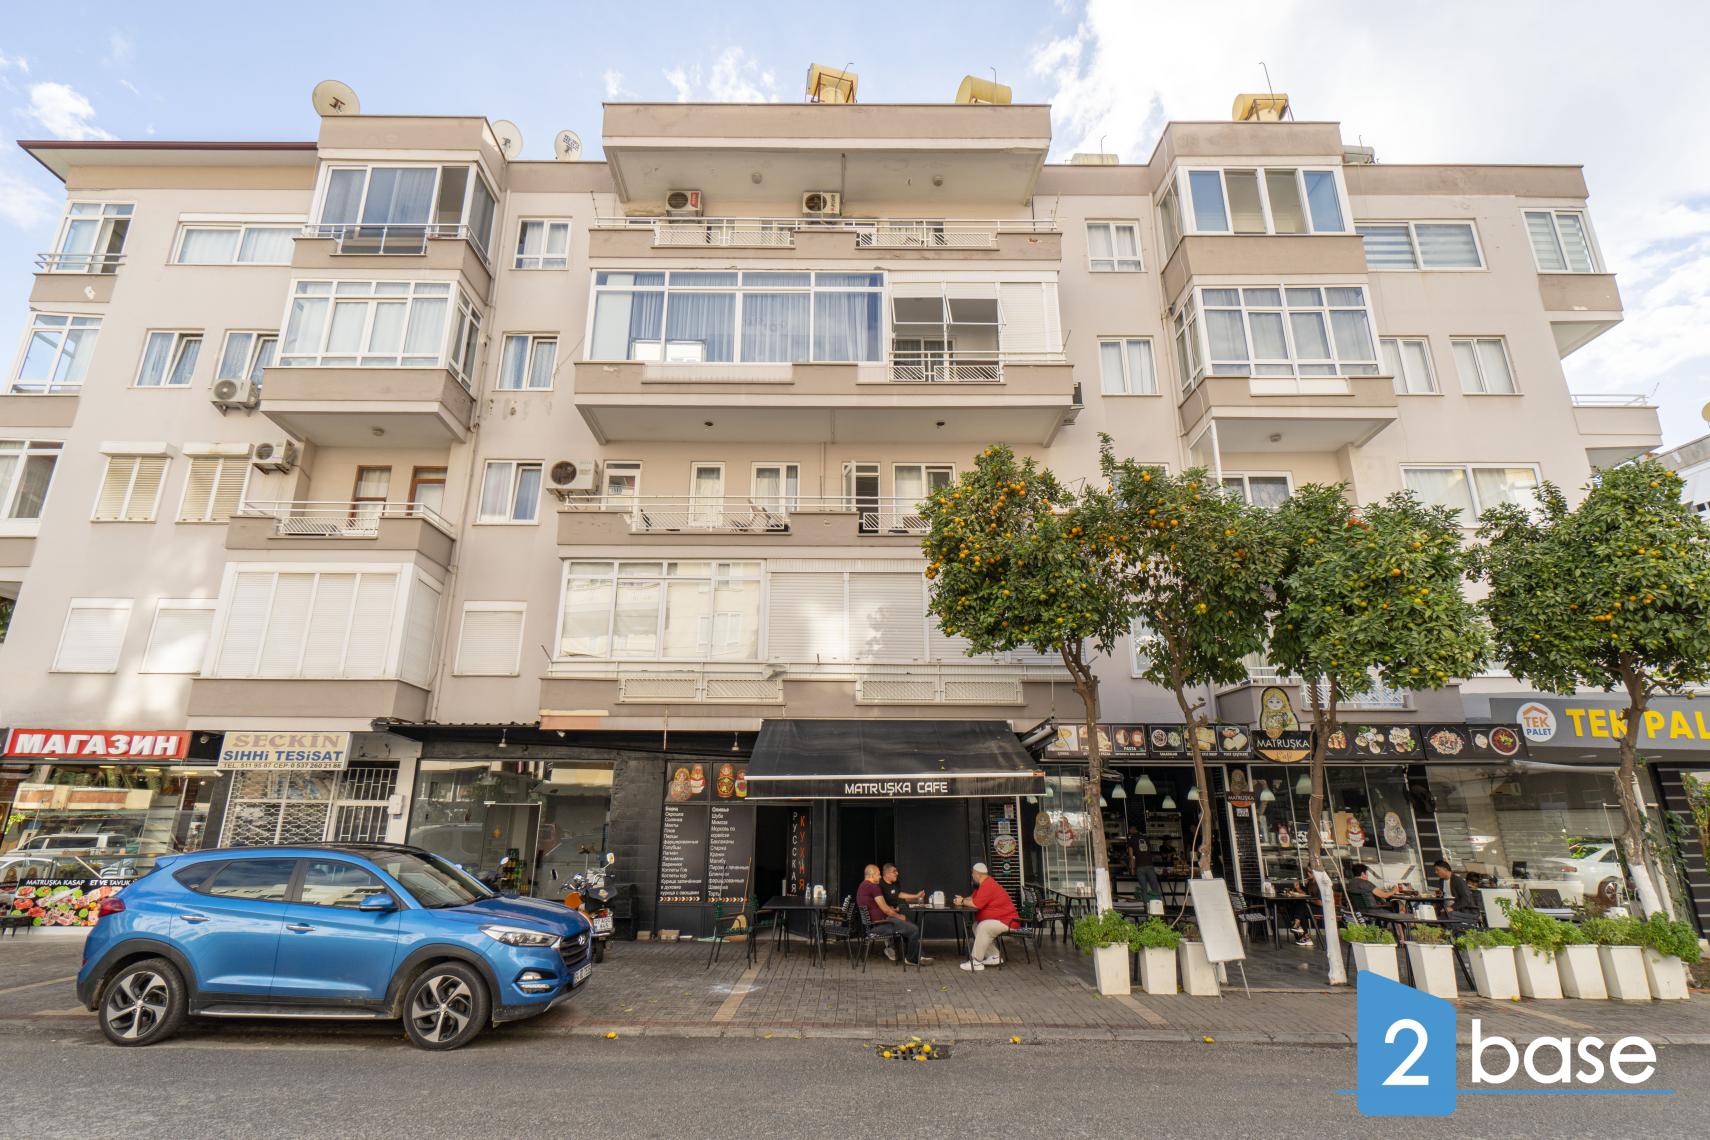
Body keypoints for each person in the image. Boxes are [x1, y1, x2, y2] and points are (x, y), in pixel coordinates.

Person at [854, 864, 927, 965]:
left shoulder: (862, 886)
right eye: (878, 874)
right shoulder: (873, 887)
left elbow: (880, 907)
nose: (880, 876)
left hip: (874, 925)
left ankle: (918, 956)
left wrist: (892, 911)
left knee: (908, 926)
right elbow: (886, 910)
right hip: (880, 925)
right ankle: (911, 958)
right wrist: (898, 916)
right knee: (914, 929)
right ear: (872, 875)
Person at [954, 862, 1021, 972]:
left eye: (973, 873)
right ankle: (994, 956)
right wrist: (962, 899)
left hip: (1009, 922)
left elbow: (976, 904)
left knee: (984, 927)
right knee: (976, 926)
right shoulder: (983, 885)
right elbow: (971, 899)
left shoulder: (988, 885)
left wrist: (962, 901)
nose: (972, 876)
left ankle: (976, 962)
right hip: (1002, 921)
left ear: (978, 874)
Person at [879, 863, 924, 961]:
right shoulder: (879, 884)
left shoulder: (895, 882)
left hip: (895, 912)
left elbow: (899, 894)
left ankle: (917, 955)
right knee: (911, 928)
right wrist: (890, 909)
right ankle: (893, 948)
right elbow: (879, 903)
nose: (897, 873)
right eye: (894, 871)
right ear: (887, 874)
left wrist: (916, 896)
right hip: (886, 915)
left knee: (911, 926)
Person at [1432, 859, 1480, 925]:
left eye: (1437, 870)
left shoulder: (1458, 881)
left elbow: (1466, 899)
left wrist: (1451, 908)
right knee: (1431, 915)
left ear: (1445, 869)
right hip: (1447, 909)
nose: (1436, 872)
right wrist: (1435, 897)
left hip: (1463, 910)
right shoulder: (1441, 881)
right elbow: (1441, 894)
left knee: (1441, 918)